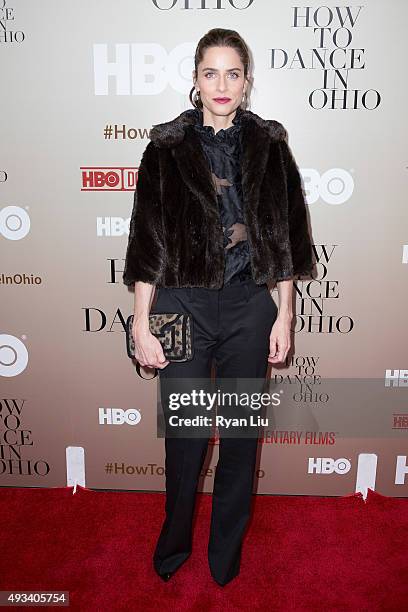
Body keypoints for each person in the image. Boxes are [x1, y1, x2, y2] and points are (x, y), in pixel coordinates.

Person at [122, 28, 314, 587]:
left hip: (251, 307)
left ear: (247, 81)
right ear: (196, 80)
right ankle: (174, 542)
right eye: (212, 72)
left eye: (233, 73)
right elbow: (146, 243)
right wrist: (141, 320)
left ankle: (225, 553)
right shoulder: (165, 147)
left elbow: (286, 239)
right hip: (181, 305)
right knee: (184, 441)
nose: (222, 84)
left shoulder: (270, 145)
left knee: (240, 437)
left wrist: (285, 313)